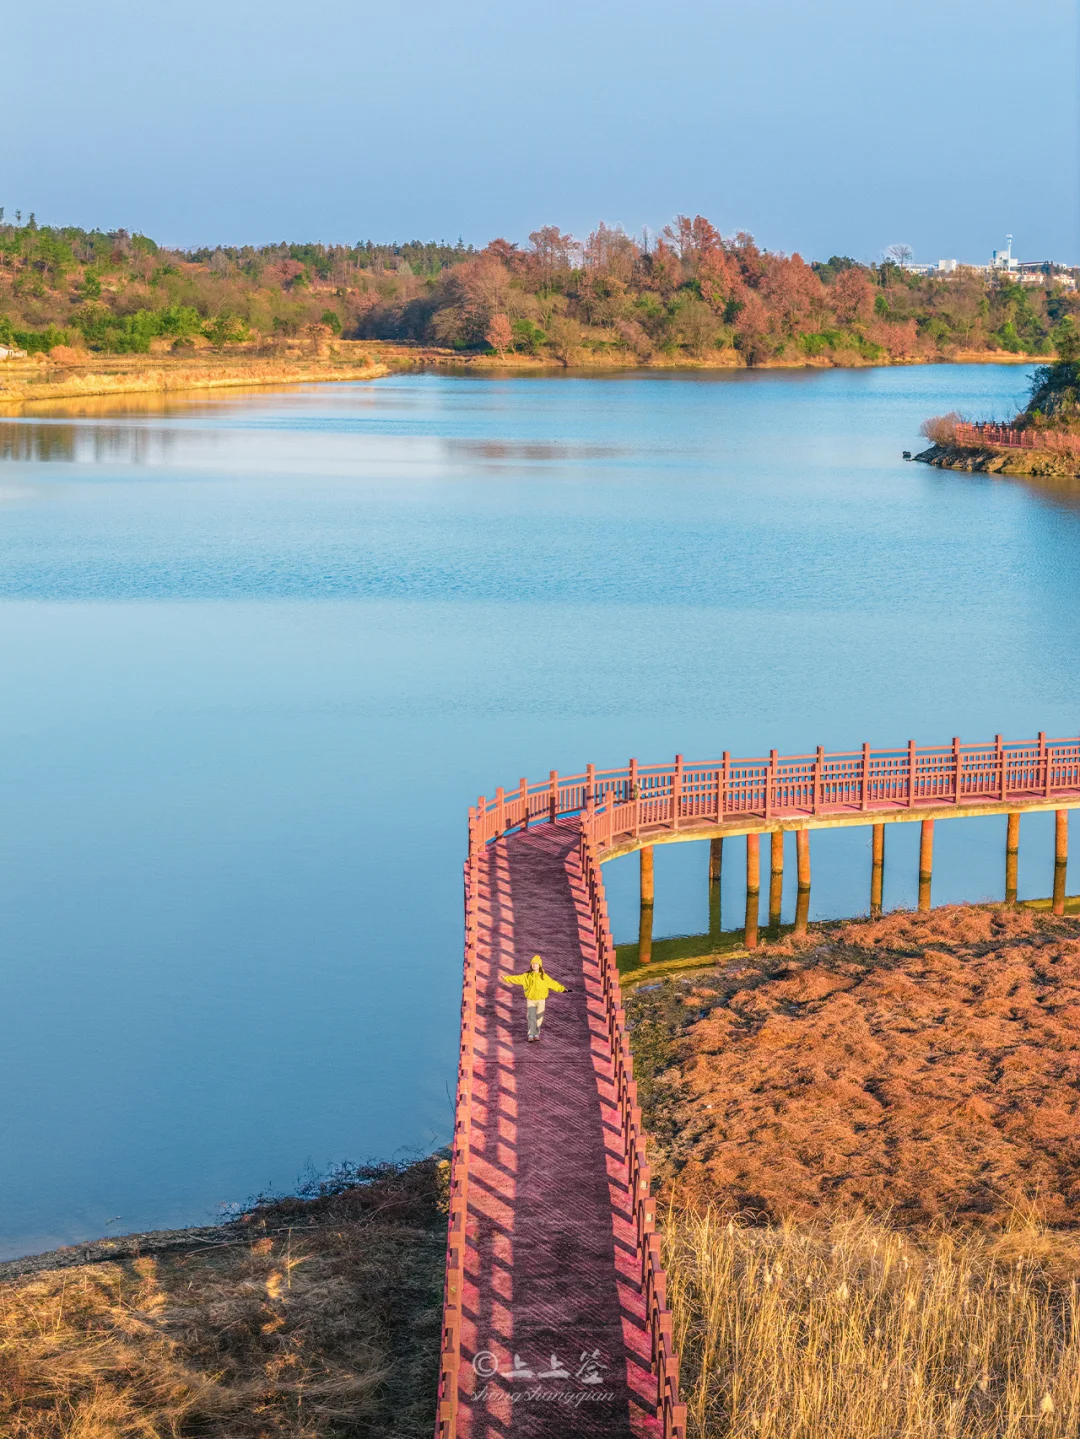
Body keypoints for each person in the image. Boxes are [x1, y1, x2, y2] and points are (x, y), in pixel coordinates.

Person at [502, 955, 567, 1042]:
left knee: (539, 1017)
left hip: (541, 1000)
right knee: (531, 1017)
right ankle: (531, 1035)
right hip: (531, 1000)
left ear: (539, 965)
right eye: (533, 964)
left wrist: (562, 989)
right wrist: (506, 978)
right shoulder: (527, 976)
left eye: (536, 964)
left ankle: (536, 1033)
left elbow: (553, 984)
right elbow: (517, 978)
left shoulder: (544, 977)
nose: (534, 965)